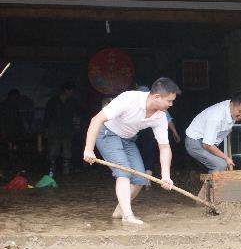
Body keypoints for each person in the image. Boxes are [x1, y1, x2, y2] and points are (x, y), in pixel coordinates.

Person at [83, 77, 181, 225]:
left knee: (140, 179)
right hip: (108, 133)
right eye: (169, 101)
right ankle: (128, 216)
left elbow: (164, 147)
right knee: (124, 172)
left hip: (128, 139)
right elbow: (96, 120)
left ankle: (119, 210)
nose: (171, 104)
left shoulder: (160, 116)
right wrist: (89, 149)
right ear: (156, 97)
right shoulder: (129, 99)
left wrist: (165, 175)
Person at [185, 93, 241, 198]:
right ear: (232, 104)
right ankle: (202, 199)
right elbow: (207, 145)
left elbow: (224, 128)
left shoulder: (231, 110)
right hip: (195, 142)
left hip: (207, 142)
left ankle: (215, 196)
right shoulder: (216, 116)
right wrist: (226, 158)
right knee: (220, 164)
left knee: (221, 166)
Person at [135, 85, 181, 189]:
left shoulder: (158, 105)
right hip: (150, 133)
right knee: (149, 155)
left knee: (137, 154)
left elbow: (166, 119)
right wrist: (175, 132)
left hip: (137, 133)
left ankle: (137, 180)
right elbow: (168, 119)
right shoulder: (160, 106)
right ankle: (147, 181)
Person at [44, 82, 81, 175]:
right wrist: (46, 129)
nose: (72, 92)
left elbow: (79, 114)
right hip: (54, 131)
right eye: (71, 90)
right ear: (66, 90)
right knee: (53, 152)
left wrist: (76, 126)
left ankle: (66, 171)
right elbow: (47, 117)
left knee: (67, 152)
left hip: (67, 131)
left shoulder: (73, 102)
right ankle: (51, 171)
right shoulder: (52, 102)